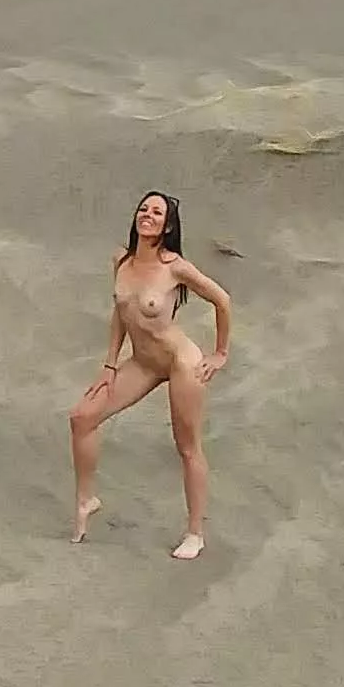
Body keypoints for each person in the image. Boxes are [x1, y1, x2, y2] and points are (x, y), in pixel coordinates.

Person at [71, 188, 233, 560]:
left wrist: (220, 353)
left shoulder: (175, 266)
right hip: (143, 363)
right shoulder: (122, 260)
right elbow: (120, 313)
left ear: (168, 226)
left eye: (157, 213)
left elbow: (222, 300)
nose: (148, 215)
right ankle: (86, 499)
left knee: (187, 447)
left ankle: (195, 533)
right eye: (144, 209)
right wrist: (110, 363)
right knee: (82, 417)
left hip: (181, 362)